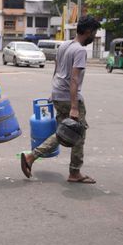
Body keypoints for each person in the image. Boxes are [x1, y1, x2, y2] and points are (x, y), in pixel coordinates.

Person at [20, 16, 102, 183]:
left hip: (58, 93)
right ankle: (74, 172)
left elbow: (57, 69)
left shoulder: (65, 45)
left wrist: (53, 91)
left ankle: (32, 157)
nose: (93, 36)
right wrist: (74, 106)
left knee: (63, 132)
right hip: (69, 97)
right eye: (93, 33)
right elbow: (74, 79)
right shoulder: (79, 50)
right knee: (78, 133)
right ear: (87, 32)